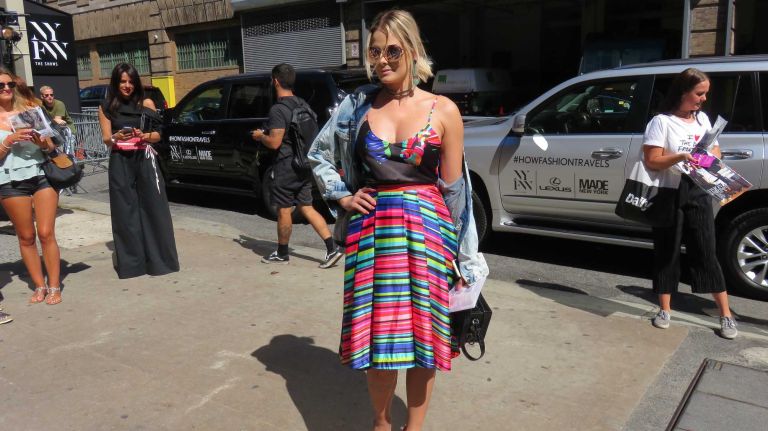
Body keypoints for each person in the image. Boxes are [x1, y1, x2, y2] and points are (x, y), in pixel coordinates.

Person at [308, 10, 488, 431]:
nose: (382, 60)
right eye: (375, 52)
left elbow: (455, 191)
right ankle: (382, 423)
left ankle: (415, 427)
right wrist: (342, 195)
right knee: (378, 340)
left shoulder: (443, 110)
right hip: (373, 237)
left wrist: (464, 260)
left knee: (425, 338)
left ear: (412, 50)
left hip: (430, 235)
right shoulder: (357, 106)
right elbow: (318, 154)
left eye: (392, 50)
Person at [643, 67, 737, 339]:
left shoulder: (703, 120)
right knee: (667, 251)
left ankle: (726, 315)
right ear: (683, 92)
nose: (703, 99)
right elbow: (652, 160)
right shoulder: (661, 122)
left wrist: (707, 159)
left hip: (698, 190)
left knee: (707, 250)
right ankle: (664, 309)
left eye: (705, 94)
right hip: (669, 191)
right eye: (699, 93)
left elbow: (715, 150)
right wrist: (681, 157)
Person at [251, 63, 343, 268]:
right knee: (307, 207)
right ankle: (332, 248)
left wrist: (260, 136)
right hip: (305, 165)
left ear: (275, 81)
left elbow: (274, 142)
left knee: (284, 209)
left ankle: (282, 253)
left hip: (286, 167)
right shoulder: (303, 104)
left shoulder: (278, 109)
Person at [98, 62, 179, 279]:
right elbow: (107, 139)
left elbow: (159, 135)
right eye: (123, 81)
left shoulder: (147, 103)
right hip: (120, 160)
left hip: (145, 158)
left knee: (155, 208)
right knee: (125, 212)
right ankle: (132, 265)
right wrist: (117, 136)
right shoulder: (107, 107)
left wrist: (144, 136)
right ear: (115, 83)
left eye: (131, 81)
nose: (127, 86)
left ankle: (160, 261)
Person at [0, 68, 63, 305]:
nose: (6, 89)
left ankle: (55, 286)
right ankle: (40, 285)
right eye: (1, 86)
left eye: (10, 85)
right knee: (26, 236)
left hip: (41, 175)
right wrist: (8, 141)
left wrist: (42, 142)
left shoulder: (29, 111)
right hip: (10, 181)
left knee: (46, 233)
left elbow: (51, 146)